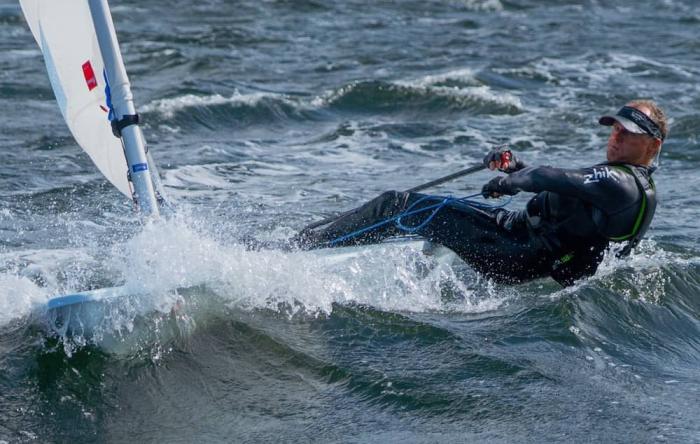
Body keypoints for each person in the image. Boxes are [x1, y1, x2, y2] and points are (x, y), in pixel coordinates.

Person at [293, 100, 667, 286]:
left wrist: (511, 182)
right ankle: (320, 240)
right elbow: (564, 193)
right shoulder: (624, 182)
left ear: (651, 144)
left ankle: (296, 251)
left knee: (399, 206)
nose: (615, 136)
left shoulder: (621, 183)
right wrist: (515, 168)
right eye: (614, 128)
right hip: (517, 240)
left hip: (514, 253)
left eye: (627, 132)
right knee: (413, 215)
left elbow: (556, 179)